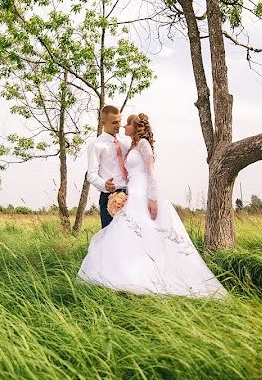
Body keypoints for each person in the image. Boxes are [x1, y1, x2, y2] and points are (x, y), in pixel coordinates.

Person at [77, 113, 228, 299]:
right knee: (131, 236)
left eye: (126, 124)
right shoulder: (128, 145)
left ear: (136, 127)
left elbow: (151, 171)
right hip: (131, 193)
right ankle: (131, 276)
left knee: (145, 233)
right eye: (118, 123)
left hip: (143, 194)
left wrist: (153, 198)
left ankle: (152, 277)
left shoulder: (142, 144)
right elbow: (100, 172)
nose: (123, 127)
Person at [85, 104, 130, 228]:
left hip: (130, 195)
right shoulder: (96, 145)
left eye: (120, 121)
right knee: (110, 239)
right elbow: (91, 174)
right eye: (114, 122)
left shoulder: (125, 144)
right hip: (109, 197)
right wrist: (104, 184)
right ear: (103, 122)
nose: (118, 126)